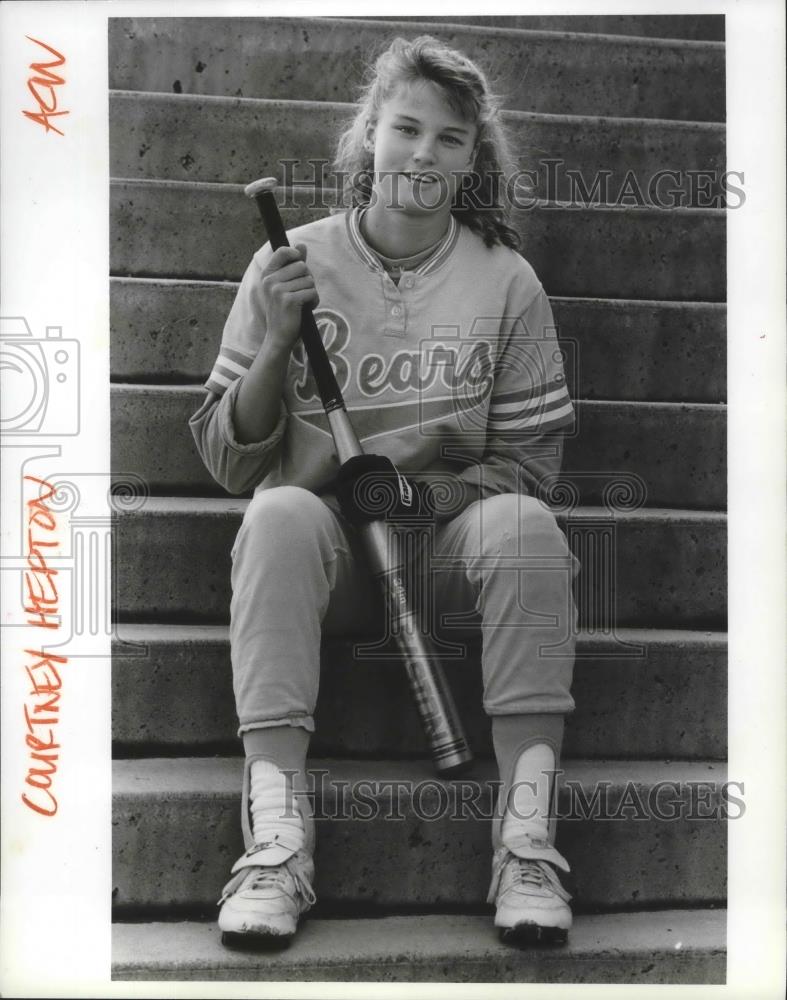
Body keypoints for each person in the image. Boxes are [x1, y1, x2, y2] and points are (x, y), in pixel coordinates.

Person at [190, 34, 578, 948]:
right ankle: (275, 845)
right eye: (404, 127)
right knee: (278, 508)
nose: (421, 154)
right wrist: (280, 339)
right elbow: (229, 460)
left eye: (449, 138)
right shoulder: (290, 262)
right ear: (367, 134)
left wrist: (414, 502)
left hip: (446, 553)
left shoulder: (505, 280)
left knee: (525, 526)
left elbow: (529, 467)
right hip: (325, 563)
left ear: (474, 157)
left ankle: (527, 841)